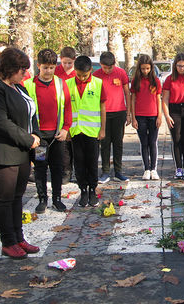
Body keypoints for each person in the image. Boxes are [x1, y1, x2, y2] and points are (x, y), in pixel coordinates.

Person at [0, 47, 41, 259]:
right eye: (22, 69)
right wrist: (28, 139)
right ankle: (8, 241)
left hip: (22, 152)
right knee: (4, 198)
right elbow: (0, 122)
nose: (25, 74)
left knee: (17, 198)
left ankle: (19, 237)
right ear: (10, 69)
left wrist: (36, 134)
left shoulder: (19, 88)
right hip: (2, 153)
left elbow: (30, 112)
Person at [24, 49, 72, 214]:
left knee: (57, 167)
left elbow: (68, 108)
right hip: (39, 137)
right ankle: (42, 198)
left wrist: (66, 128)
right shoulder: (29, 85)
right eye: (45, 68)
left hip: (57, 135)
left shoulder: (60, 83)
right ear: (38, 66)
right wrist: (31, 134)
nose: (48, 71)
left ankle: (57, 199)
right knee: (40, 167)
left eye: (51, 68)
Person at [66, 56, 106, 207]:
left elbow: (102, 107)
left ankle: (92, 191)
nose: (82, 78)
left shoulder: (98, 83)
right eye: (79, 75)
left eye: (85, 75)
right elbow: (66, 108)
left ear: (91, 71)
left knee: (92, 162)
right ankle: (82, 190)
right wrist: (67, 129)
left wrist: (102, 129)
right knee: (79, 163)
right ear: (75, 71)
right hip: (75, 131)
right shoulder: (68, 84)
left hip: (92, 131)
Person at [94, 52, 131, 183]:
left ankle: (118, 171)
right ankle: (105, 172)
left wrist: (128, 113)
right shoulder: (96, 75)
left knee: (118, 143)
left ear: (114, 64)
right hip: (102, 114)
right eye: (105, 67)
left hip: (119, 112)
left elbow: (127, 93)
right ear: (100, 65)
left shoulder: (121, 73)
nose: (108, 70)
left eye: (110, 67)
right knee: (104, 143)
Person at [162, 53, 184, 179]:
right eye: (179, 66)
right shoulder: (169, 79)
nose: (181, 68)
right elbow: (165, 99)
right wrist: (166, 115)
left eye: (183, 66)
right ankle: (178, 167)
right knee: (177, 140)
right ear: (175, 66)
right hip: (174, 110)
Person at [130, 54, 162, 180]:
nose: (145, 71)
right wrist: (133, 117)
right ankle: (146, 169)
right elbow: (132, 100)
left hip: (153, 116)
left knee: (152, 142)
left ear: (151, 68)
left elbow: (158, 99)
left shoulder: (156, 81)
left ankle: (154, 169)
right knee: (144, 143)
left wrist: (160, 116)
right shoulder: (135, 81)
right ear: (139, 68)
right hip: (140, 116)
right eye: (143, 69)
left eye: (148, 68)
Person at [55, 47, 77, 185]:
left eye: (70, 63)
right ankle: (66, 171)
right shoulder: (56, 72)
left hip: (75, 111)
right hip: (60, 112)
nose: (67, 66)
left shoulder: (77, 73)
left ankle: (75, 171)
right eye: (64, 63)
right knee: (63, 146)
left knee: (75, 145)